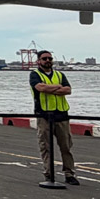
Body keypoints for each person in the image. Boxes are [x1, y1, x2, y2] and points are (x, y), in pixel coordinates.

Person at [30, 51, 77, 186]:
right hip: (44, 115)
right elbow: (40, 87)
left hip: (62, 115)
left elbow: (68, 90)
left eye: (50, 58)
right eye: (44, 58)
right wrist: (58, 87)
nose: (48, 60)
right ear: (38, 61)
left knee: (66, 146)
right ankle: (49, 174)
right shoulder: (35, 74)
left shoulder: (60, 74)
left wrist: (49, 89)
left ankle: (69, 174)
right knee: (46, 146)